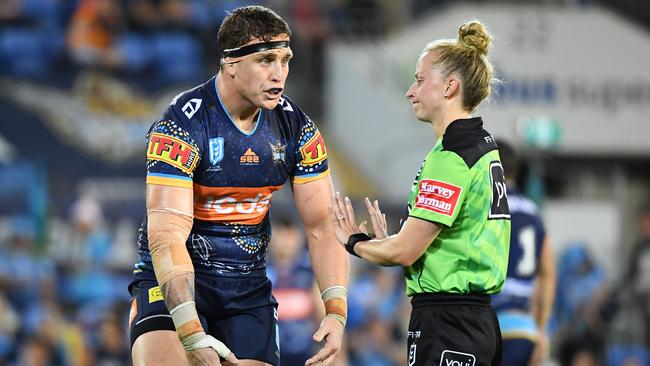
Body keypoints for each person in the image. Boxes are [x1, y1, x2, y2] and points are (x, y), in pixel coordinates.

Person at [127, 6, 349, 366]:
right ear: (230, 62)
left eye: (285, 59)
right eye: (266, 60)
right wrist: (190, 330)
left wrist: (336, 311)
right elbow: (167, 235)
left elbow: (322, 224)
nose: (280, 73)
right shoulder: (181, 126)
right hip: (171, 282)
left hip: (246, 290)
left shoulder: (298, 129)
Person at [330, 20, 510, 366]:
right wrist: (390, 243)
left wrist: (356, 242)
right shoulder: (480, 146)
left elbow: (407, 250)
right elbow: (437, 243)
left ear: (449, 87)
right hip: (472, 321)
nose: (410, 91)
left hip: (449, 324)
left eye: (419, 79)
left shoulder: (453, 155)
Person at [491, 140, 556, 366]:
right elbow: (548, 273)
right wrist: (540, 329)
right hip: (523, 326)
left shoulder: (488, 205)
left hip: (489, 320)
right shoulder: (533, 213)